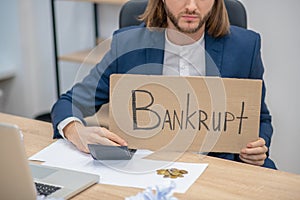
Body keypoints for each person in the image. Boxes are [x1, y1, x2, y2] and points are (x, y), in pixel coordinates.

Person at [51, 0, 276, 169]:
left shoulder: (246, 47)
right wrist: (75, 131)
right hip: (147, 167)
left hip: (218, 167)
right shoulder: (126, 45)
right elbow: (70, 102)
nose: (191, 6)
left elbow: (261, 119)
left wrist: (258, 145)